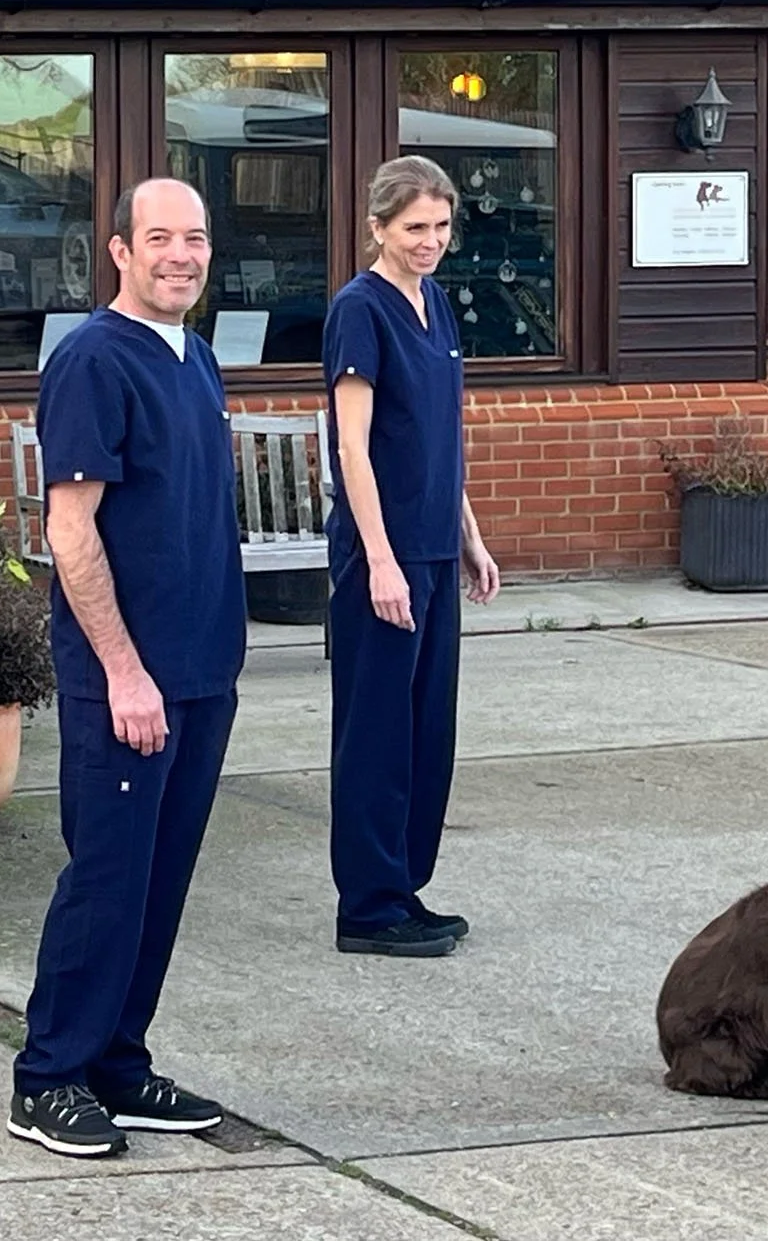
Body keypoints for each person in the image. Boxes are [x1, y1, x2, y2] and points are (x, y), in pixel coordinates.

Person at [8, 177, 246, 1159]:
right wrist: (123, 672)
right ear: (119, 251)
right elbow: (71, 532)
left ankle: (116, 1062)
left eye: (193, 238)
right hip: (128, 683)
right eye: (159, 238)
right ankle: (48, 1077)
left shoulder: (193, 359)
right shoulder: (93, 362)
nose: (180, 255)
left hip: (200, 672)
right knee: (107, 880)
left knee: (160, 881)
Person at [325, 155, 500, 958]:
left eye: (440, 226)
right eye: (414, 228)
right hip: (382, 559)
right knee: (377, 732)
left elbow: (443, 437)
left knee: (429, 730)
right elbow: (354, 449)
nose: (431, 242)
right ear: (378, 229)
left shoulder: (435, 304)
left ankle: (404, 886)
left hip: (434, 549)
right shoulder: (358, 312)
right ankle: (367, 905)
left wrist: (468, 534)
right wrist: (381, 558)